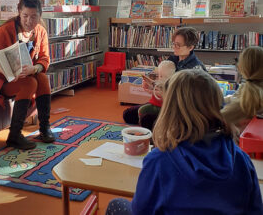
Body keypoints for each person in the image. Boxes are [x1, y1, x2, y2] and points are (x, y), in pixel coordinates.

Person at [107, 69, 263, 215]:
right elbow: (255, 210)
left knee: (116, 204)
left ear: (169, 112)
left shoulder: (158, 162)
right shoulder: (242, 160)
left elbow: (141, 210)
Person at [0, 0, 55, 150]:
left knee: (42, 78)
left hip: (22, 75)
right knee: (30, 83)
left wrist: (35, 68)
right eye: (25, 16)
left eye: (34, 17)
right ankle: (15, 135)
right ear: (19, 12)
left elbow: (45, 59)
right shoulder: (4, 31)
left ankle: (45, 127)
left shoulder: (41, 32)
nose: (29, 21)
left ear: (40, 16)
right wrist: (3, 70)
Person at [123, 27, 206, 126]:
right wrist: (152, 85)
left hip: (182, 109)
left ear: (190, 47)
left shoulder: (194, 69)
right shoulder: (173, 59)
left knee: (147, 120)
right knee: (128, 114)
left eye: (178, 45)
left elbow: (186, 99)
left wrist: (158, 91)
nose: (174, 47)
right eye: (174, 44)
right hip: (164, 102)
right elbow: (165, 82)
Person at [222, 46, 263, 131]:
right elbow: (234, 97)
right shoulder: (250, 86)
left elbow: (217, 120)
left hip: (239, 142)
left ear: (243, 67)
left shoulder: (248, 101)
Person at [137, 60, 175, 130]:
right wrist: (147, 84)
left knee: (142, 111)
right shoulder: (160, 82)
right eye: (159, 75)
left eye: (164, 76)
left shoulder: (170, 85)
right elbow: (154, 85)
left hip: (162, 108)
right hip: (154, 104)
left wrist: (150, 91)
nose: (160, 78)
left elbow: (162, 94)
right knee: (140, 110)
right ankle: (141, 124)